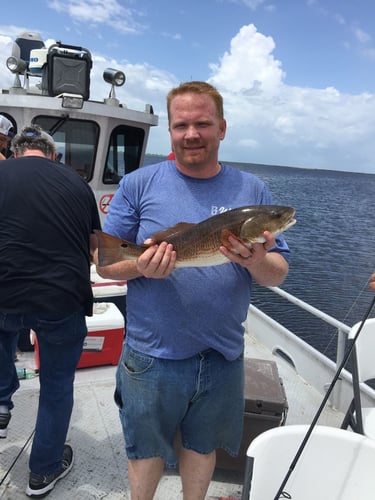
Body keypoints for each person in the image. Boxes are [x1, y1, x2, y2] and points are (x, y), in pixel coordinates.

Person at [95, 81, 290, 500]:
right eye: (181, 125)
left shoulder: (252, 191)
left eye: (202, 123)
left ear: (222, 128)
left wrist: (255, 259)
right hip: (151, 353)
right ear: (170, 130)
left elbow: (277, 275)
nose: (191, 134)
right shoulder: (138, 184)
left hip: (223, 354)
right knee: (145, 451)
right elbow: (108, 261)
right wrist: (142, 266)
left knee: (203, 447)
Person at [0, 124, 101, 497]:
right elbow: (94, 245)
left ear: (14, 151)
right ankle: (42, 473)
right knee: (56, 387)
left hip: (3, 292)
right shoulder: (78, 185)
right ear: (53, 155)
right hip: (61, 298)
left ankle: (1, 400)